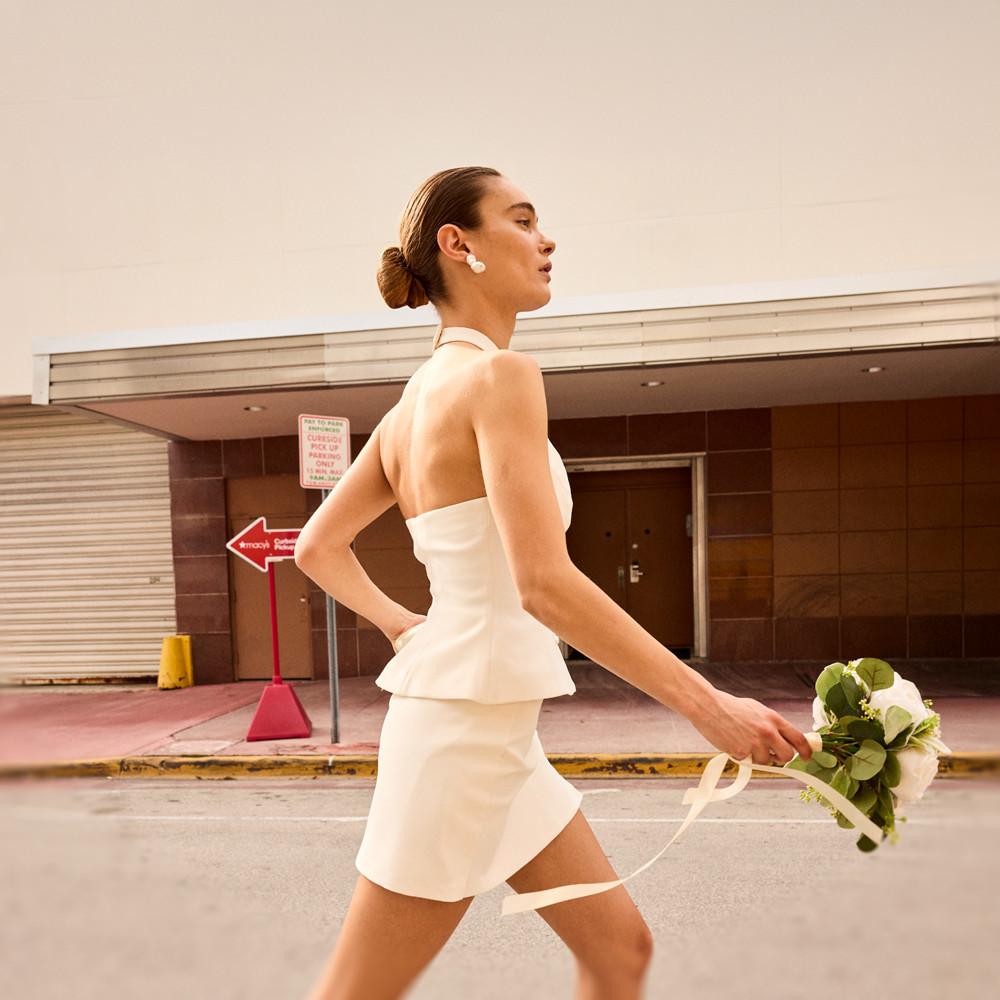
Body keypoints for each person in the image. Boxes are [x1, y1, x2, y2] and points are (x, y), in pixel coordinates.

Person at [294, 166, 814, 1000]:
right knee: (356, 993)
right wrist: (710, 708)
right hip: (460, 739)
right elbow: (543, 583)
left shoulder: (411, 406)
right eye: (524, 220)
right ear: (457, 246)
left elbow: (318, 547)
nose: (548, 239)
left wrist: (405, 627)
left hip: (493, 730)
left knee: (620, 953)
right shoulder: (500, 378)